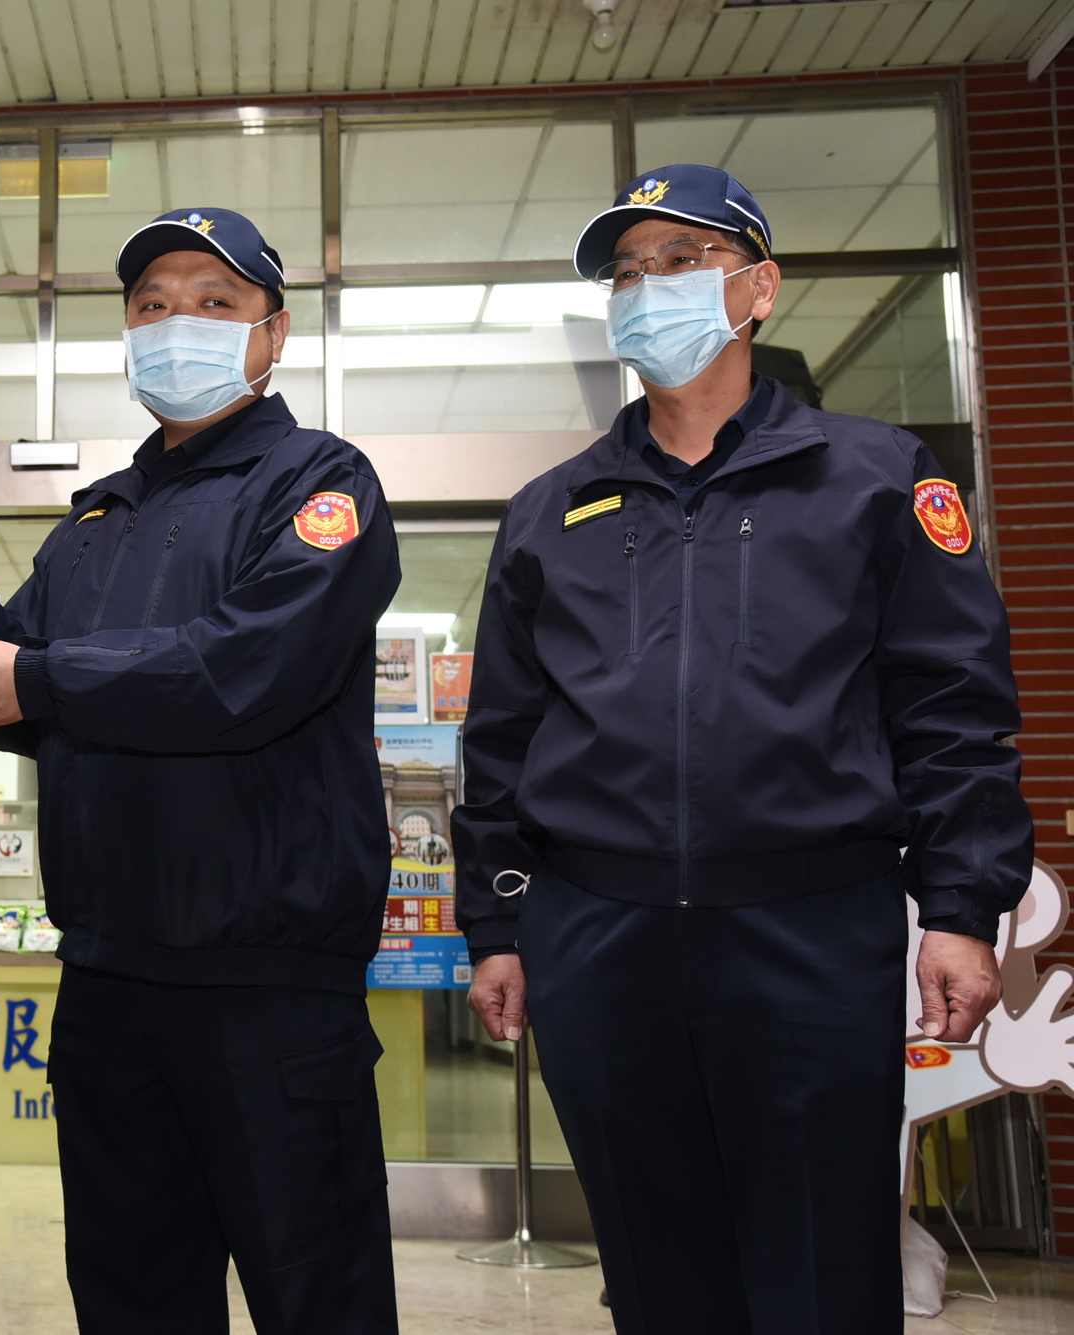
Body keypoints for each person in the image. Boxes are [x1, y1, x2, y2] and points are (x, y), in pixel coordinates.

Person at [453, 165, 1033, 1335]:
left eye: (681, 262)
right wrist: (498, 926)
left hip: (809, 927)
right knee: (654, 1264)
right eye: (625, 273)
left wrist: (963, 908)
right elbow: (503, 736)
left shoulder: (876, 479)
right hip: (597, 933)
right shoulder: (552, 510)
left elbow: (952, 709)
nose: (646, 290)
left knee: (820, 1260)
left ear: (757, 288)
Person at [0, 207, 403, 1334]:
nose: (178, 325)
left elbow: (248, 669)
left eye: (216, 304)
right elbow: (26, 700)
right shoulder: (91, 523)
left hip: (265, 984)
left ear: (271, 336)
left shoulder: (318, 484)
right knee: (132, 1297)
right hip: (109, 980)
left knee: (313, 1295)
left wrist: (33, 677)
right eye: (152, 306)